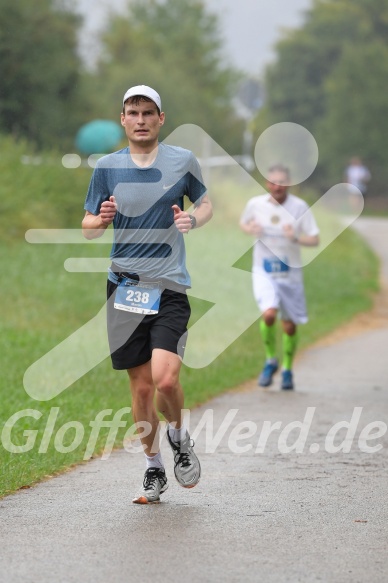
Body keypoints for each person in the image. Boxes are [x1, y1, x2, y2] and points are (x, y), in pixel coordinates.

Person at [82, 85, 213, 503]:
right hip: (124, 288)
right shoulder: (107, 166)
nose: (140, 120)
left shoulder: (181, 161)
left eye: (147, 113)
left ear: (161, 119)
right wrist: (99, 219)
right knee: (140, 390)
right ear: (123, 119)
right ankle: (153, 467)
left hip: (170, 285)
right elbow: (87, 222)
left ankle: (178, 435)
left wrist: (193, 218)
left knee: (166, 378)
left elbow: (206, 202)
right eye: (132, 112)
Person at [239, 165, 319, 390]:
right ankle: (270, 359)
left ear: (289, 183)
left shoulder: (299, 207)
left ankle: (287, 369)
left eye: (282, 182)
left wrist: (296, 238)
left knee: (289, 326)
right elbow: (243, 223)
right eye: (273, 182)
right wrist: (250, 228)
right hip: (263, 270)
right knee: (269, 314)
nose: (277, 186)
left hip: (290, 274)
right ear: (267, 183)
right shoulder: (255, 204)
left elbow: (314, 239)